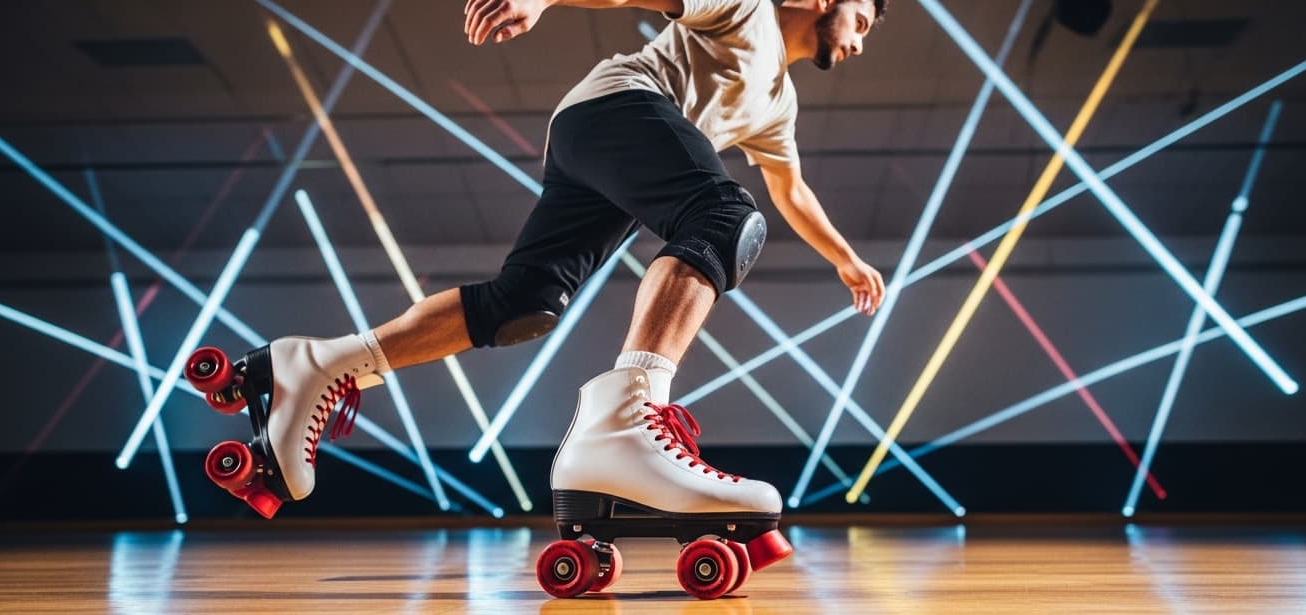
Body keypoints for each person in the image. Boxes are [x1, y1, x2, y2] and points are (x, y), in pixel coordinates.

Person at [193, 0, 887, 554]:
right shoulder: (747, 9)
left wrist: (844, 259)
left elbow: (791, 189)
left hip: (598, 147)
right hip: (619, 109)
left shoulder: (779, 102)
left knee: (523, 304)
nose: (859, 42)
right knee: (724, 217)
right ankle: (625, 421)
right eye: (860, 20)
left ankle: (317, 364)